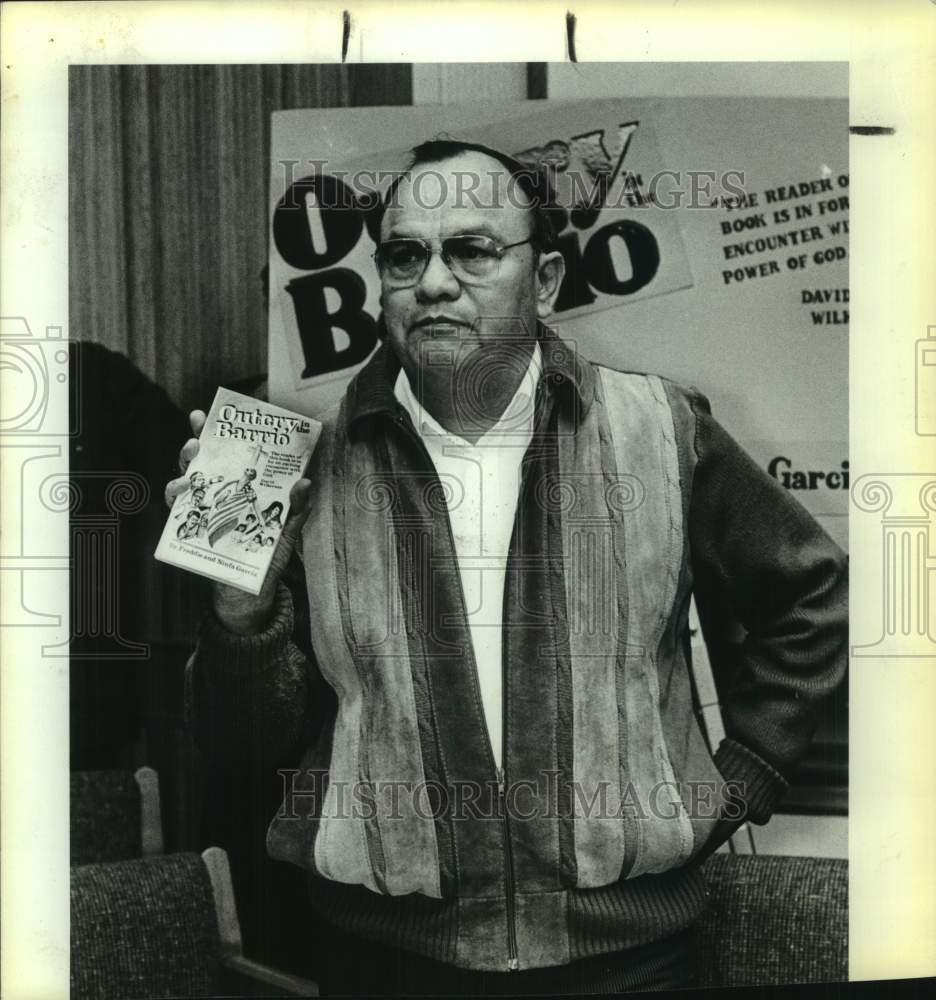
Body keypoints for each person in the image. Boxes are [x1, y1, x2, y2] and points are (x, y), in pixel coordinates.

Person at [167, 139, 847, 995]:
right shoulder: (286, 464)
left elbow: (815, 593)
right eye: (407, 256)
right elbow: (235, 751)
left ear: (549, 279)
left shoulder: (660, 429)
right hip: (386, 962)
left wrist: (745, 774)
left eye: (473, 250)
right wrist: (239, 617)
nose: (436, 282)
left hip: (626, 964)